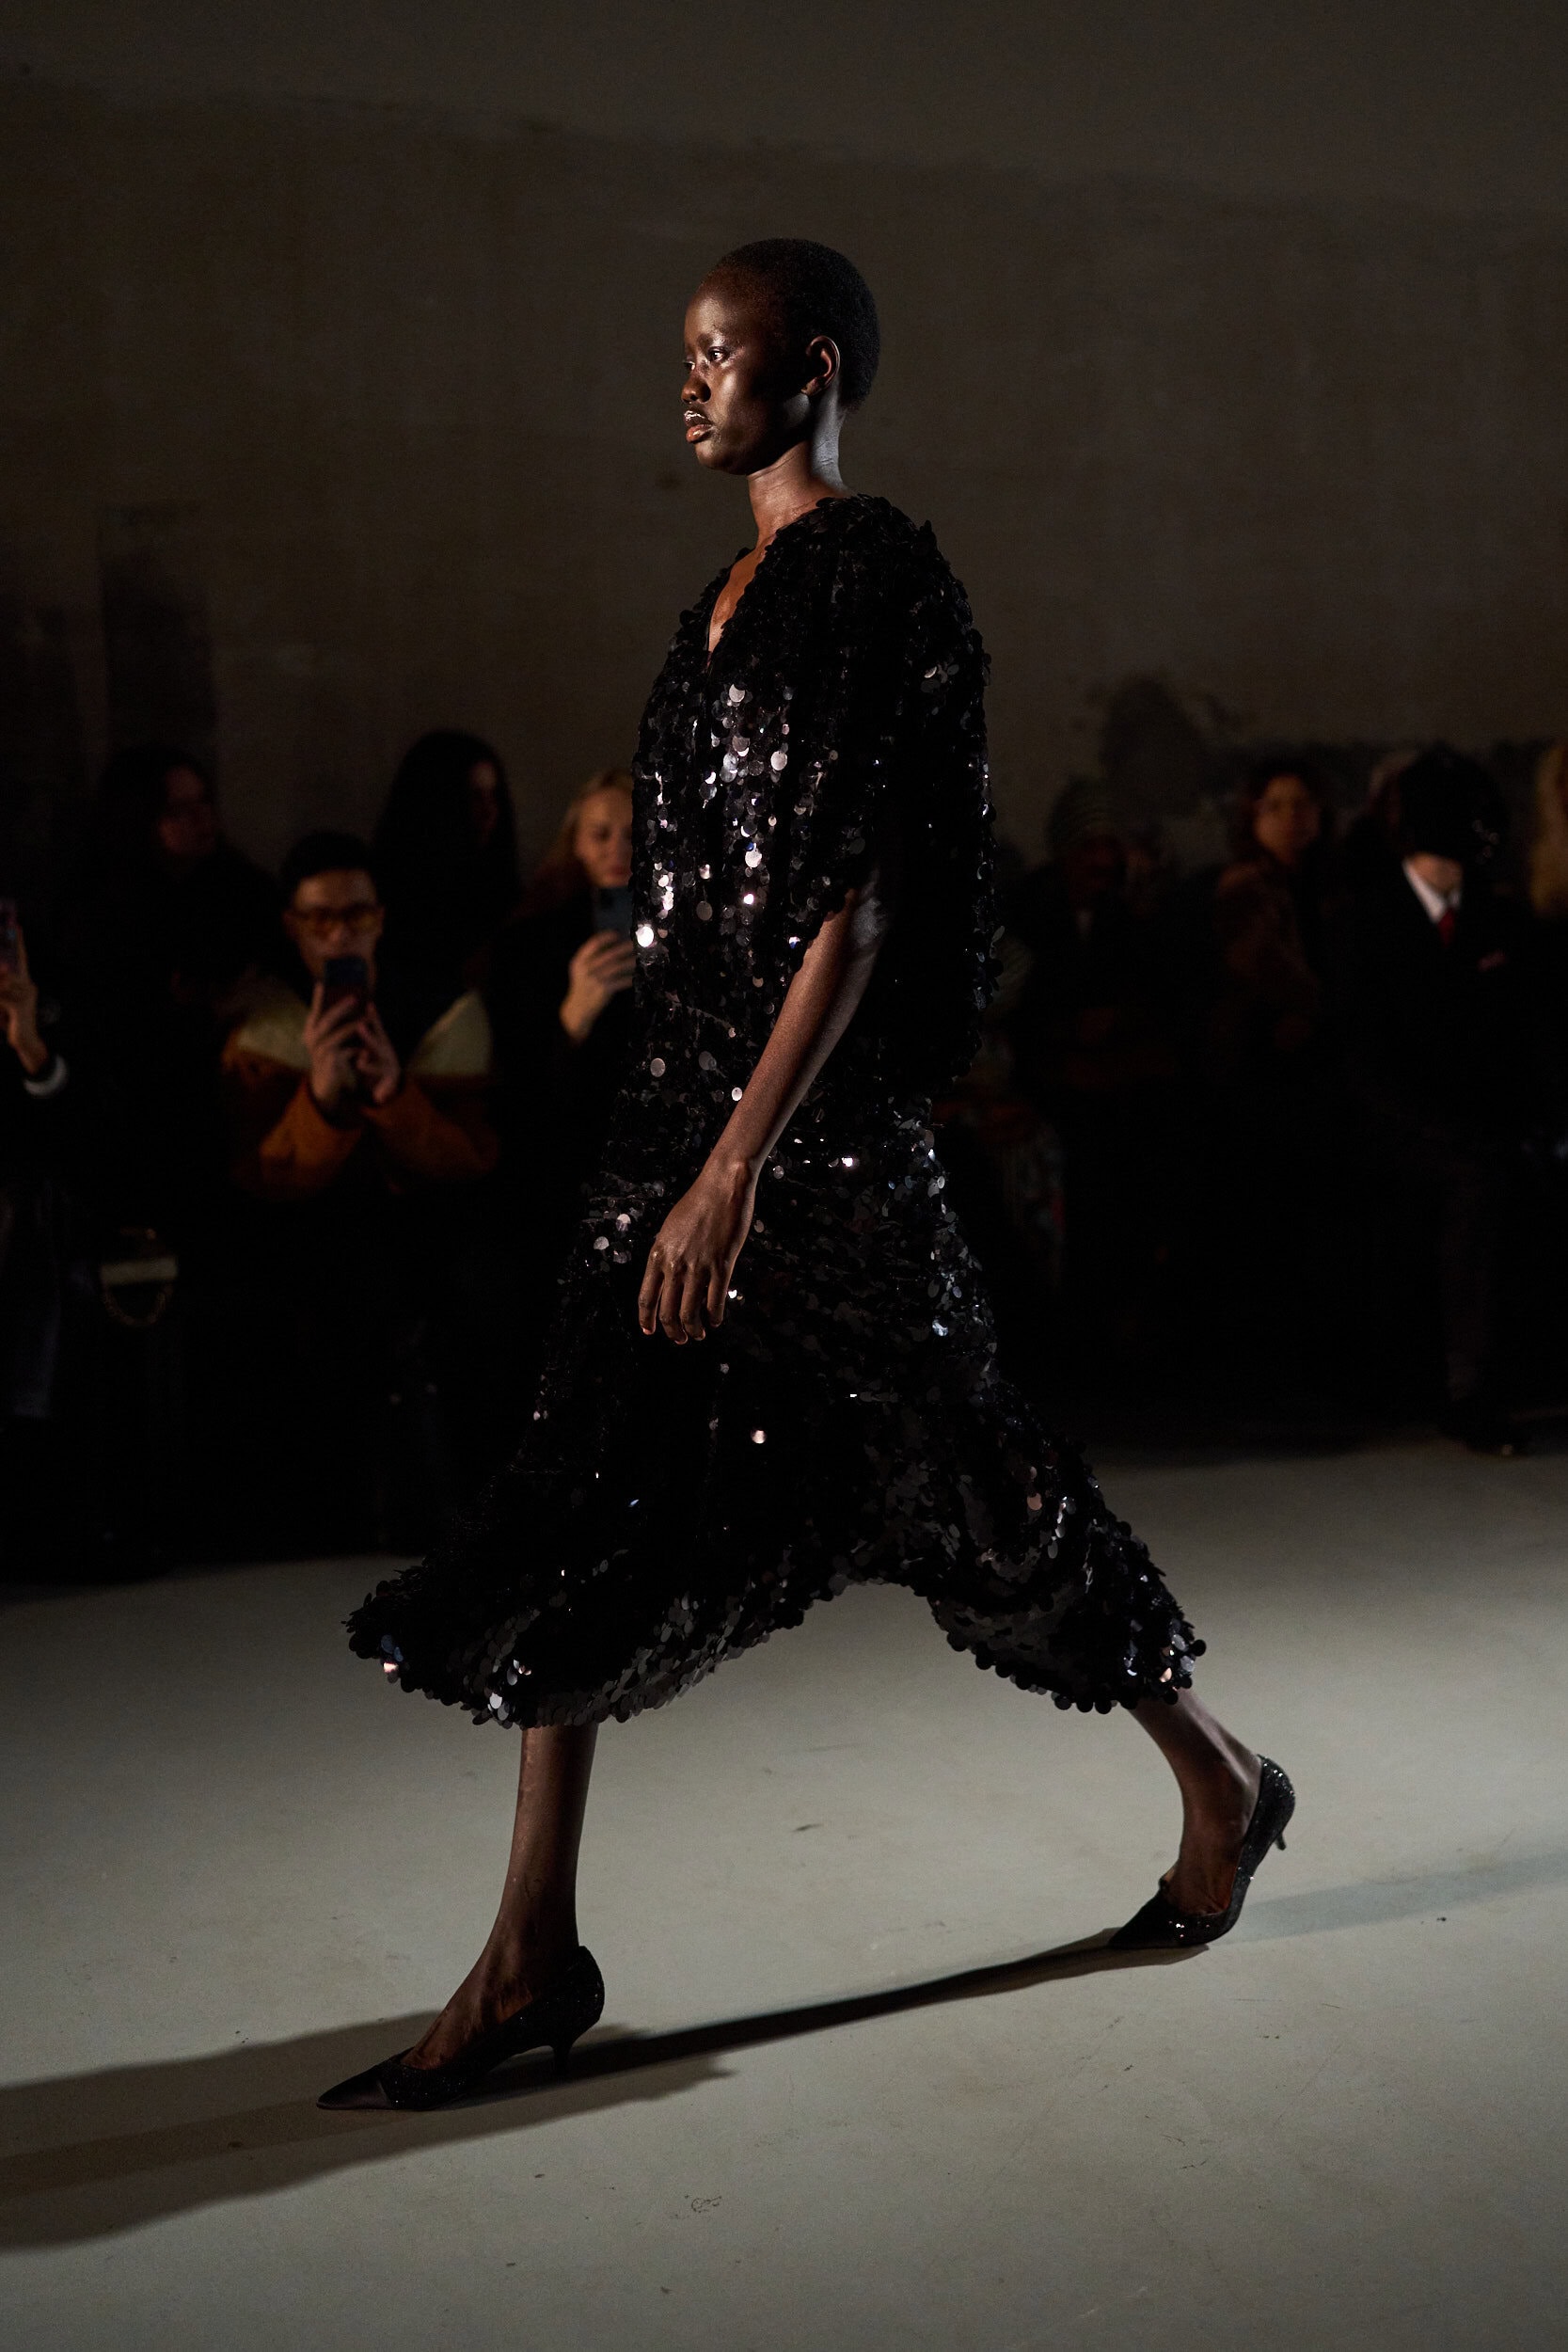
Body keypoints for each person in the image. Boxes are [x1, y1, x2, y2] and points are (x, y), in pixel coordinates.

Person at [321, 239, 1291, 2113]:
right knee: (584, 1471)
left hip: (806, 1141)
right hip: (685, 1116)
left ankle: (1220, 1778)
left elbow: (856, 902)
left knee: (980, 1486)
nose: (685, 381)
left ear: (817, 362)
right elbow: (706, 888)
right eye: (681, 354)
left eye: (718, 349)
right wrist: (668, 1112)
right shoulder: (718, 599)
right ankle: (528, 1950)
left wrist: (737, 1167)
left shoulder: (868, 572)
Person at [221, 832, 499, 1545]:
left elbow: (468, 1157)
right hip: (302, 1237)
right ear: (293, 925)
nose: (341, 933)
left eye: (357, 915)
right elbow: (262, 1175)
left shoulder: (441, 1010)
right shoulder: (263, 1019)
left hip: (419, 1230)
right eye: (321, 918)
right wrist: (318, 1094)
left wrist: (392, 1093)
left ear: (381, 919)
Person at [1327, 746, 1543, 1451]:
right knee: (1474, 1181)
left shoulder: (1499, 919)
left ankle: (1499, 1371)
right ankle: (1466, 1387)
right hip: (1397, 1125)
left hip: (1480, 1120)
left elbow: (1522, 1038)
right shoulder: (1365, 921)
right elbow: (1362, 1058)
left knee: (1508, 1171)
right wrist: (1441, 1127)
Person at [55, 746, 277, 1245]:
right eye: (179, 810)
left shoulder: (240, 890)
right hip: (154, 1128)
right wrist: (208, 1010)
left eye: (204, 802)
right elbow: (117, 1036)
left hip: (249, 1106)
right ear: (140, 821)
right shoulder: (104, 918)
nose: (202, 819)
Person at [372, 730, 521, 1033]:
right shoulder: (386, 901)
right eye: (473, 796)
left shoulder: (504, 895)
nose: (489, 812)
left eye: (494, 795)